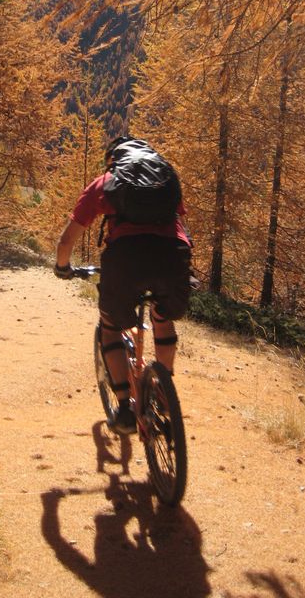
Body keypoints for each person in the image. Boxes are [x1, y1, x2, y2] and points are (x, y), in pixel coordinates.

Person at [54, 136, 192, 434]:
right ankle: (164, 390)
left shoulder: (107, 181)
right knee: (162, 315)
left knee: (110, 326)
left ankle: (126, 409)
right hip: (172, 256)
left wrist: (62, 267)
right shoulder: (166, 178)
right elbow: (180, 220)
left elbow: (68, 238)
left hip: (126, 259)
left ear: (114, 159)